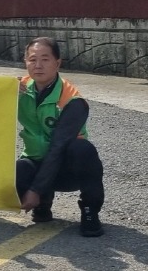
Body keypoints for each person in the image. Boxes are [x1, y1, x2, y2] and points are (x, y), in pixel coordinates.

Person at [17, 37, 104, 237]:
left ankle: (90, 211)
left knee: (83, 149)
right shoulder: (17, 89)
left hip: (68, 169)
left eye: (45, 59)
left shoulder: (73, 100)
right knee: (18, 171)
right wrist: (4, 91)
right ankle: (42, 204)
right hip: (36, 160)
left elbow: (58, 147)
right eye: (32, 60)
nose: (38, 65)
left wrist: (35, 189)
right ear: (25, 62)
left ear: (57, 63)